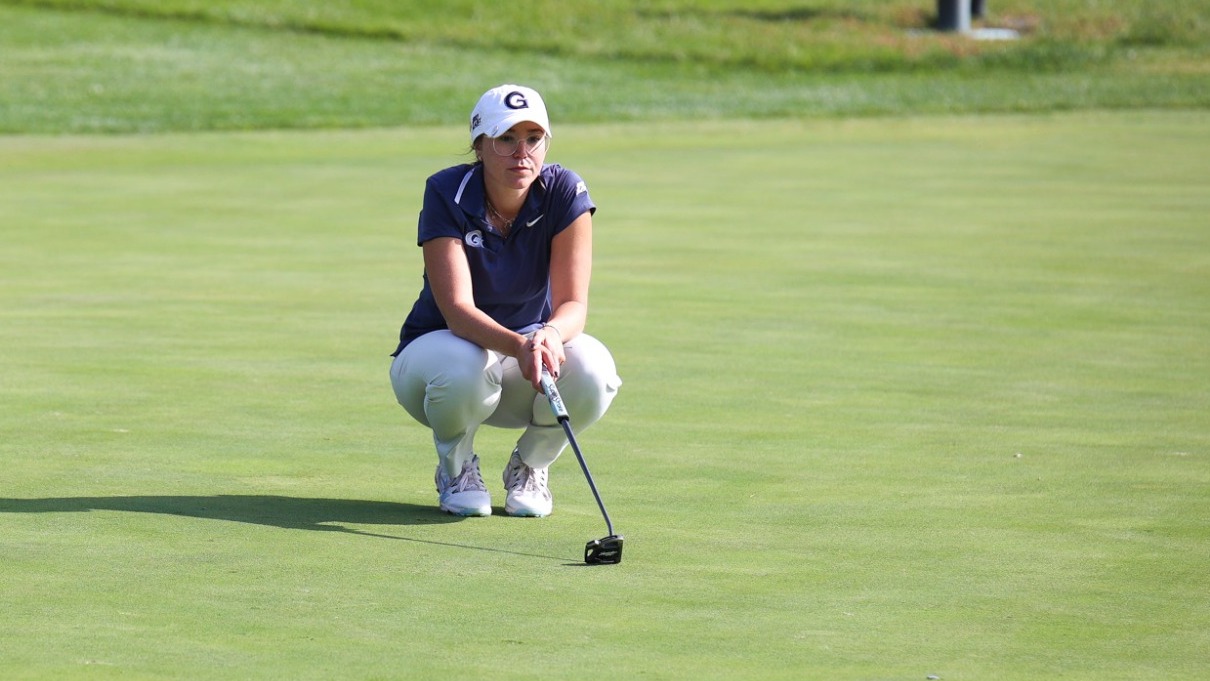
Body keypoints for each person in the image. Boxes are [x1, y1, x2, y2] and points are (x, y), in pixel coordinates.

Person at [389, 84, 622, 518]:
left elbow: (573, 304)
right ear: (480, 145)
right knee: (463, 363)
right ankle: (456, 469)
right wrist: (520, 344)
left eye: (534, 139)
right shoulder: (446, 191)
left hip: (521, 369)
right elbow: (458, 311)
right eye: (507, 139)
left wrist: (548, 336)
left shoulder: (564, 192)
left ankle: (530, 466)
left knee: (593, 369)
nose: (522, 153)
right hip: (435, 366)